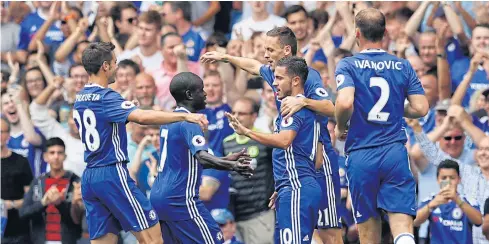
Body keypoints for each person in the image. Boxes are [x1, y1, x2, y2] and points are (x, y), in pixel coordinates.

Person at [201, 26, 342, 244]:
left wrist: (304, 101)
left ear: (286, 50)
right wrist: (226, 57)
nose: (265, 55)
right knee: (305, 232)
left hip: (317, 161)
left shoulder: (306, 77)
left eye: (270, 49)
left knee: (328, 232)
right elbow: (253, 67)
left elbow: (332, 108)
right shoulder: (277, 74)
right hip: (296, 166)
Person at [74, 42, 208, 244]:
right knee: (153, 238)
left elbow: (104, 121)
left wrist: (126, 111)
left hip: (90, 176)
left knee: (103, 241)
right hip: (112, 173)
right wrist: (184, 117)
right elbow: (143, 118)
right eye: (115, 62)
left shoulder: (80, 97)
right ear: (105, 66)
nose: (117, 67)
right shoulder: (106, 96)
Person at [334, 8, 429, 244]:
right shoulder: (402, 65)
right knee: (402, 225)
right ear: (385, 33)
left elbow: (345, 102)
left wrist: (339, 126)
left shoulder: (348, 65)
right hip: (394, 152)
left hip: (361, 154)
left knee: (368, 233)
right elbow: (421, 108)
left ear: (357, 34)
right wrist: (397, 106)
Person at [149, 71, 253, 243]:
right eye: (201, 90)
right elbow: (202, 157)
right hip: (180, 199)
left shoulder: (170, 120)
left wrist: (227, 159)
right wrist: (232, 167)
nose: (205, 94)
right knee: (215, 239)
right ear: (189, 94)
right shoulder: (190, 121)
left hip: (159, 197)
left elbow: (186, 161)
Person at [226, 56, 321, 243]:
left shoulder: (293, 108)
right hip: (295, 186)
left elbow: (284, 141)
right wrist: (284, 182)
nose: (274, 83)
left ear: (295, 80)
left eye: (279, 78)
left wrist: (246, 132)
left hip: (296, 188)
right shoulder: (307, 107)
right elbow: (317, 158)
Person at [223, 97, 275, 244]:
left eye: (241, 113)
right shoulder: (226, 143)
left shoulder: (265, 140)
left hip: (260, 215)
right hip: (235, 217)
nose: (236, 117)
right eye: (234, 113)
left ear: (254, 116)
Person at [19, 137, 83, 244]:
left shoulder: (75, 181)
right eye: (52, 153)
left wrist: (60, 203)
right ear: (45, 157)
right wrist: (44, 203)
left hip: (67, 240)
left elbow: (77, 220)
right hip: (40, 240)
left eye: (60, 153)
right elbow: (23, 213)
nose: (56, 157)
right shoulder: (37, 182)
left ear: (65, 156)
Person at [413, 159, 483, 244]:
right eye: (444, 178)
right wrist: (431, 206)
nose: (448, 181)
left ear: (459, 179)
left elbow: (479, 221)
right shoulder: (430, 200)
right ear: (437, 179)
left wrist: (457, 200)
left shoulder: (467, 200)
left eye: (452, 178)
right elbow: (415, 222)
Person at [1, 116, 33, 244]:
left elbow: (30, 197)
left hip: (17, 231)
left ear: (8, 135)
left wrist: (10, 205)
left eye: (1, 132)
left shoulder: (21, 161)